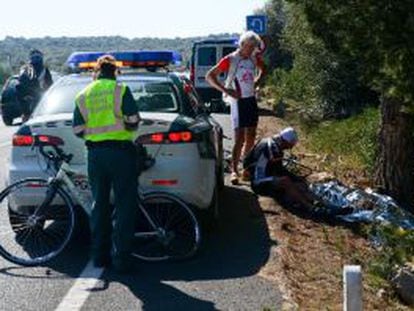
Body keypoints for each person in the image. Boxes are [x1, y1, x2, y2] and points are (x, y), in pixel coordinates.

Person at [72, 55, 140, 272]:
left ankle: (100, 256)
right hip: (121, 154)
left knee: (99, 205)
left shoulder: (84, 94)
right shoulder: (121, 90)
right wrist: (126, 131)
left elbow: (77, 129)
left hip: (95, 155)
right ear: (115, 71)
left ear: (97, 71)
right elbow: (133, 119)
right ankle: (122, 259)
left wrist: (95, 137)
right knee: (124, 205)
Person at [206, 31, 265, 185]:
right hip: (237, 101)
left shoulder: (253, 58)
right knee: (239, 137)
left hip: (251, 99)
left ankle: (246, 168)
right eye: (250, 46)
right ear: (242, 44)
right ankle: (234, 171)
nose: (252, 50)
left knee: (251, 135)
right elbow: (209, 76)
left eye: (254, 47)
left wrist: (257, 82)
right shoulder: (231, 59)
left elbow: (264, 69)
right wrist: (226, 90)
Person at [243, 127, 316, 211]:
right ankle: (309, 207)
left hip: (257, 178)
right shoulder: (273, 149)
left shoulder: (266, 140)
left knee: (294, 182)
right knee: (286, 181)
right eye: (290, 145)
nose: (290, 148)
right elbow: (279, 170)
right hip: (259, 182)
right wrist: (296, 178)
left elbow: (247, 160)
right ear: (286, 141)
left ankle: (309, 200)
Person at [16, 49, 53, 121]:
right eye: (35, 57)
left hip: (36, 96)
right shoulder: (28, 69)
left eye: (37, 57)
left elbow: (50, 84)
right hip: (34, 97)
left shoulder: (26, 68)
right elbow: (20, 85)